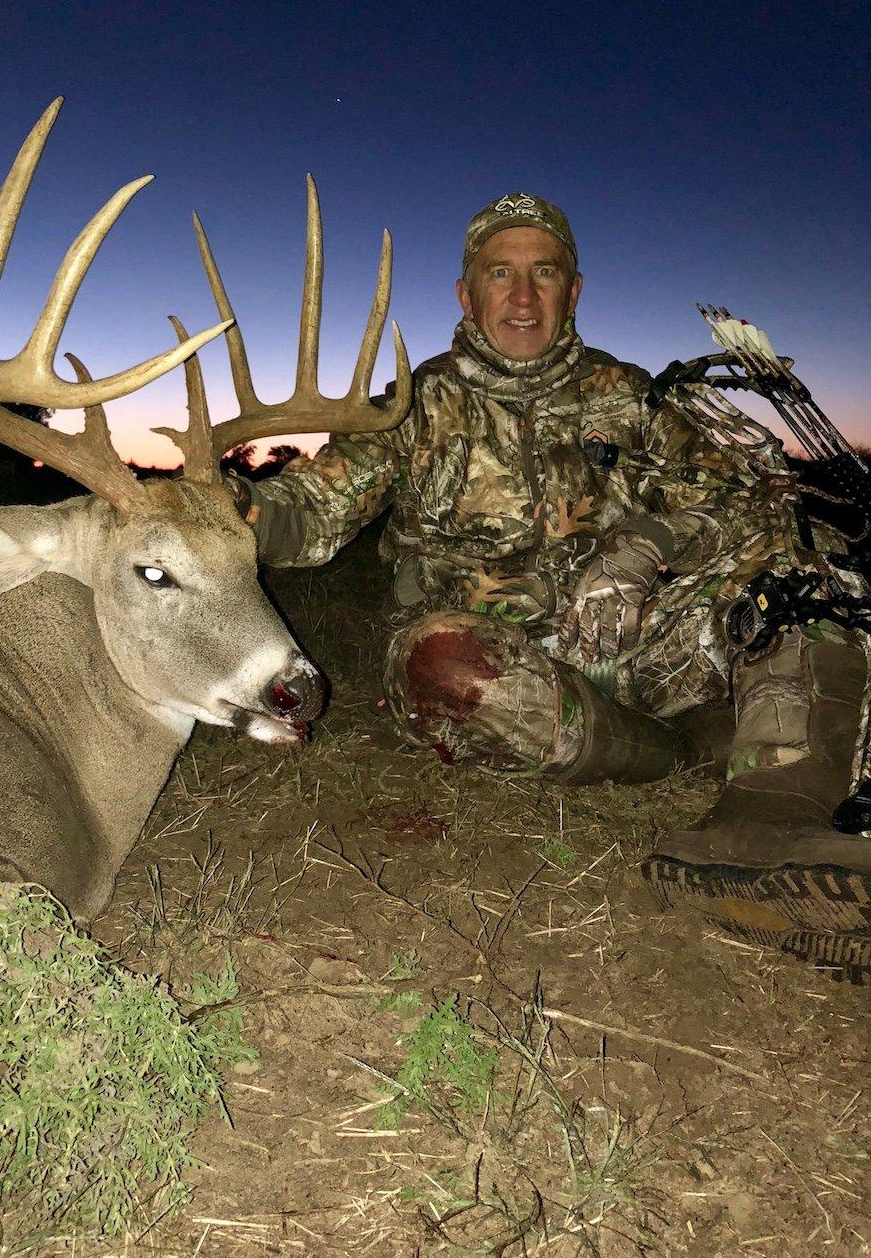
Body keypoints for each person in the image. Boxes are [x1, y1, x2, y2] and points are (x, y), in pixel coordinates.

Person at [230, 193, 870, 975]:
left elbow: (737, 500)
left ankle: (768, 820)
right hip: (515, 674)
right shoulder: (411, 407)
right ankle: (684, 748)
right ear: (467, 295)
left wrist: (645, 542)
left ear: (574, 290)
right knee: (441, 665)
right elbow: (310, 512)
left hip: (646, 641)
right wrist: (230, 509)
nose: (523, 297)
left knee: (809, 575)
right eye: (501, 274)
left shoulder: (631, 395)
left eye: (545, 273)